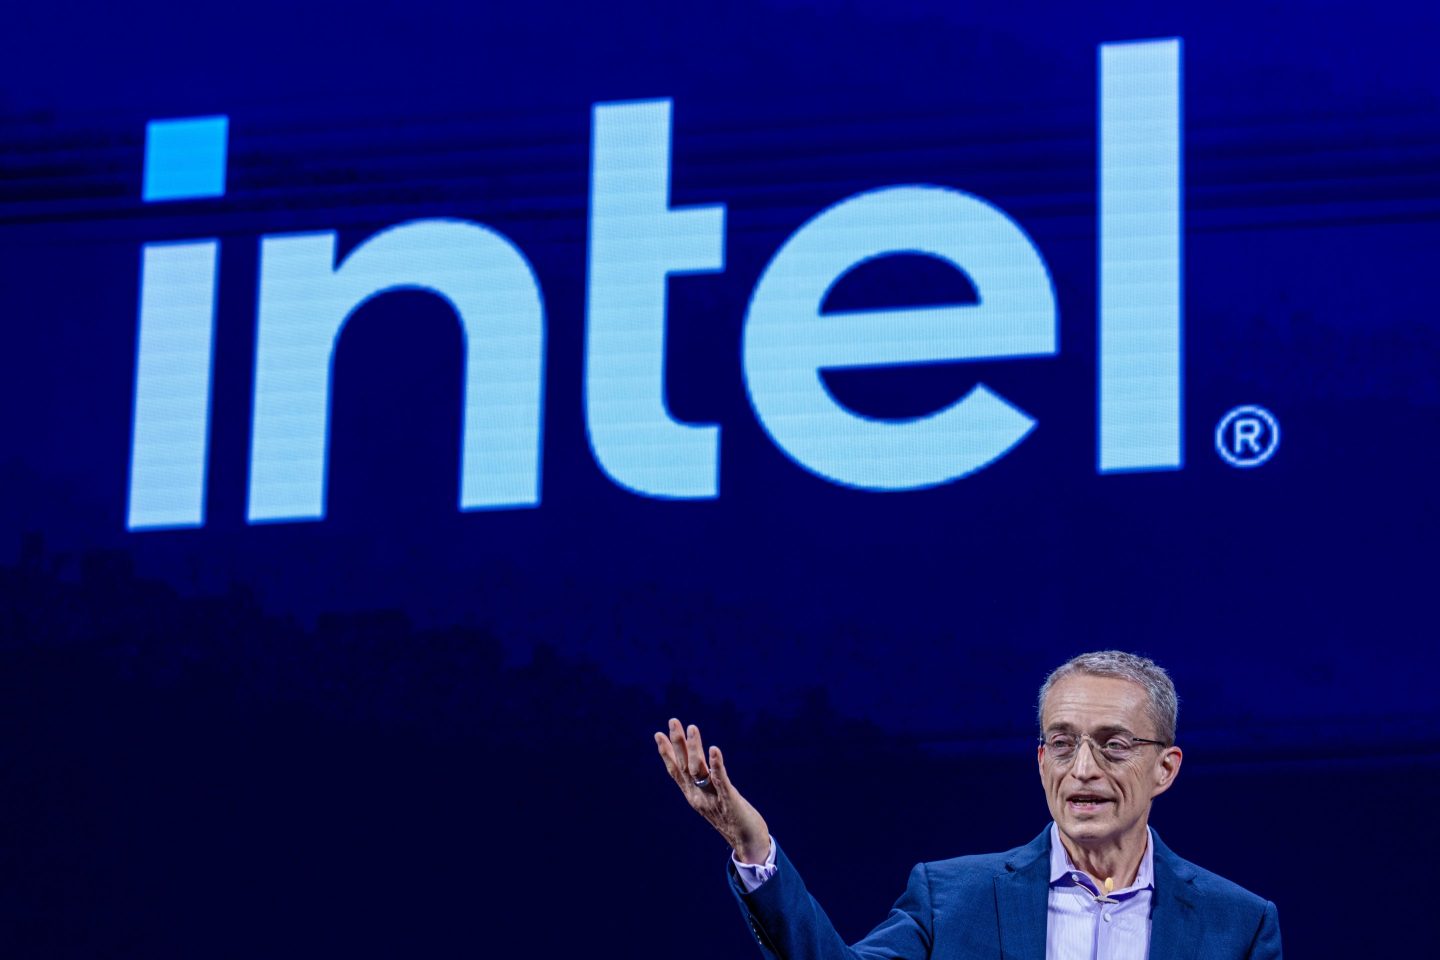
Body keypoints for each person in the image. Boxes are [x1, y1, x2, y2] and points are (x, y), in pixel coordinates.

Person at [654, 650, 1282, 959]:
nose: (1082, 769)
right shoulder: (952, 897)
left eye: (1113, 745)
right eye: (1062, 744)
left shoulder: (1238, 924)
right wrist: (753, 848)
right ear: (1042, 763)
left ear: (1164, 769)